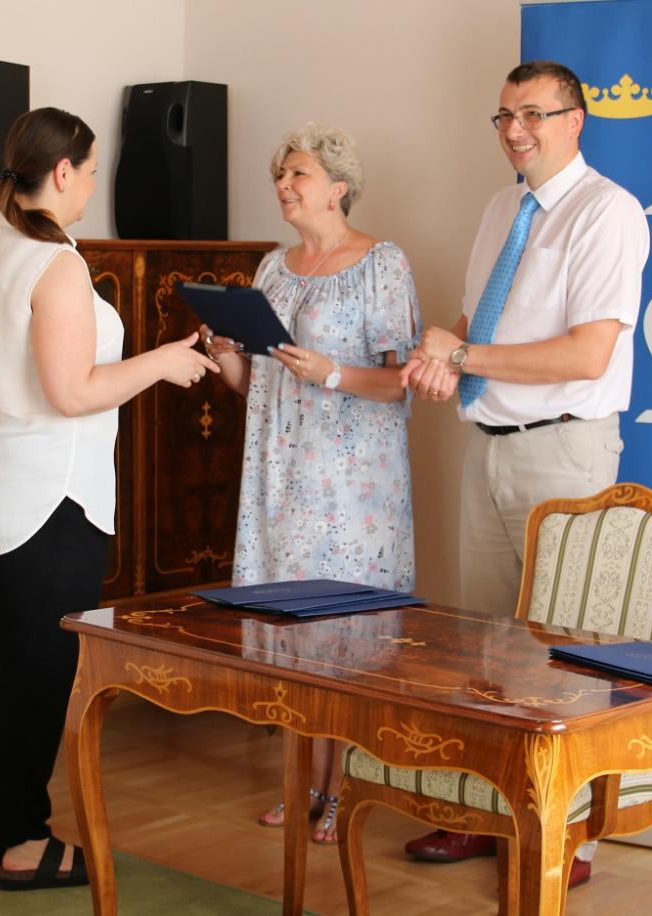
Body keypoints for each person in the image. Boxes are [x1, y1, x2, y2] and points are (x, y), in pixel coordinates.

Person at [0, 107, 218, 892]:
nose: (93, 185)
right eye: (90, 172)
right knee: (33, 672)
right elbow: (71, 392)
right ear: (62, 172)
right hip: (42, 501)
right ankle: (26, 843)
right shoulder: (53, 264)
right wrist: (161, 362)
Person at [399, 61, 650, 886]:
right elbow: (480, 321)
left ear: (576, 120)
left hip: (565, 449)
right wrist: (442, 356)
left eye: (535, 114)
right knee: (486, 644)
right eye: (505, 114)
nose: (516, 130)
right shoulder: (501, 209)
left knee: (564, 650)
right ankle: (483, 812)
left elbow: (587, 353)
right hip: (490, 444)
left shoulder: (607, 212)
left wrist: (463, 355)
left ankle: (566, 839)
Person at [201, 123, 419, 844]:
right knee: (291, 632)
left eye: (298, 173)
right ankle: (301, 783)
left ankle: (344, 787)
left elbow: (400, 383)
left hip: (352, 487)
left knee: (343, 635)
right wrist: (224, 353)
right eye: (281, 174)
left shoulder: (382, 264)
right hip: (279, 472)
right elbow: (254, 386)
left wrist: (331, 372)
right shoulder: (272, 266)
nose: (284, 185)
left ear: (338, 187)